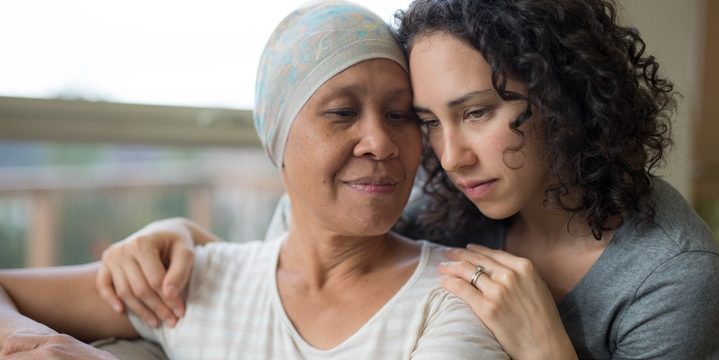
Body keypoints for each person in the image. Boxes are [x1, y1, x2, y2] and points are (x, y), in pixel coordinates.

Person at [97, 0, 719, 359]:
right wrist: (176, 233)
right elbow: (297, 256)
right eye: (427, 121)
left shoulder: (670, 274)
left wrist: (547, 352)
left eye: (476, 113)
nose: (451, 158)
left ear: (566, 95)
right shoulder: (437, 195)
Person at [0, 1, 509, 359]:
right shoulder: (190, 283)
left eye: (400, 116)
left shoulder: (462, 293)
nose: (379, 142)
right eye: (341, 113)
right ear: (278, 139)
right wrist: (31, 341)